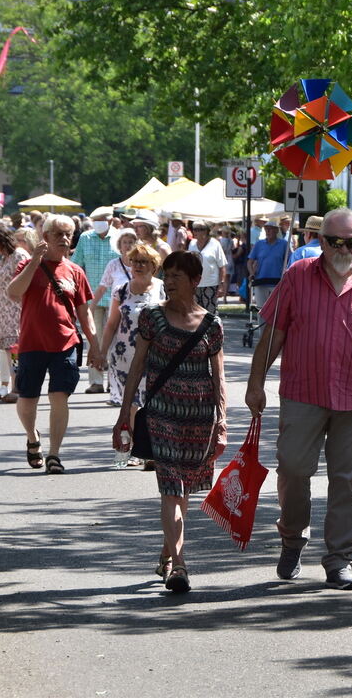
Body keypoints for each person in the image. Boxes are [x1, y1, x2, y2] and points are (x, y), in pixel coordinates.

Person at [245, 208, 352, 590]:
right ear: (321, 240)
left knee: (347, 480)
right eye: (336, 241)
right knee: (294, 471)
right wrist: (255, 383)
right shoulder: (298, 276)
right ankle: (292, 538)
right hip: (304, 393)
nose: (344, 249)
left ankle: (339, 559)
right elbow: (272, 335)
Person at [113, 251, 224, 593]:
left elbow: (219, 378)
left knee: (183, 490)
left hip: (199, 419)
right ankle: (179, 565)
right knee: (171, 489)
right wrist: (124, 415)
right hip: (162, 414)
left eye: (178, 275)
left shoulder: (211, 324)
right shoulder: (152, 317)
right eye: (168, 274)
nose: (170, 280)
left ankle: (167, 551)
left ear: (194, 281)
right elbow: (137, 367)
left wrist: (222, 423)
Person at [7, 215, 104, 474]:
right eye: (58, 234)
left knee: (59, 396)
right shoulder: (28, 265)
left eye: (68, 234)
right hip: (32, 343)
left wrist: (95, 345)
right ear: (45, 238)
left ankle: (54, 454)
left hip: (65, 343)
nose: (64, 239)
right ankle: (32, 436)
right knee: (28, 398)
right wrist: (34, 262)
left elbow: (85, 314)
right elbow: (14, 292)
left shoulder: (75, 271)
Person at [102, 243, 165, 411]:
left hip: (154, 357)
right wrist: (102, 353)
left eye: (143, 261)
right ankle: (130, 437)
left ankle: (145, 437)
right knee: (131, 405)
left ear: (154, 266)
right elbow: (111, 325)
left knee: (153, 403)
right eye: (134, 261)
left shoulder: (162, 289)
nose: (138, 265)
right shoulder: (121, 290)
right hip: (124, 358)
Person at [71, 208, 119, 395]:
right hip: (92, 299)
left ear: (111, 220)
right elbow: (76, 264)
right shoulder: (86, 238)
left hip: (116, 298)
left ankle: (114, 381)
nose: (99, 222)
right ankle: (96, 381)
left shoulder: (119, 238)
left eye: (102, 219)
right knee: (94, 340)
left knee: (116, 342)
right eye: (95, 219)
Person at [0, 228, 30, 402]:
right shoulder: (6, 258)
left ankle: (18, 387)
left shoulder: (19, 255)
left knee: (16, 351)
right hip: (6, 311)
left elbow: (27, 280)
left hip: (16, 310)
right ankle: (15, 385)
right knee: (10, 351)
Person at [246, 222, 289, 310]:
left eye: (271, 229)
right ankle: (261, 324)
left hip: (278, 282)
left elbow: (289, 261)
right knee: (261, 309)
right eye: (266, 229)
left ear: (277, 230)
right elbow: (250, 262)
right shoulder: (259, 244)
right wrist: (251, 273)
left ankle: (275, 324)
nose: (268, 231)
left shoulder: (284, 244)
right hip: (260, 281)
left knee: (276, 309)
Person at [187, 220, 228, 313]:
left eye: (198, 229)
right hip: (195, 285)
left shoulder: (215, 244)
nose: (195, 232)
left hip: (211, 285)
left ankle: (214, 328)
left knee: (211, 314)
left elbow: (222, 266)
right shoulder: (192, 244)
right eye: (194, 229)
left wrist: (221, 285)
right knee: (195, 313)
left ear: (206, 231)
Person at [97, 229, 137, 313]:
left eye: (130, 242)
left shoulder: (140, 264)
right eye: (124, 242)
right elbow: (102, 289)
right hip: (116, 311)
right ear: (120, 246)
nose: (127, 245)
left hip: (135, 311)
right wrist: (91, 308)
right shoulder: (113, 264)